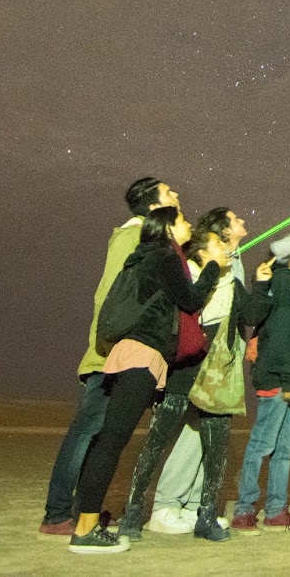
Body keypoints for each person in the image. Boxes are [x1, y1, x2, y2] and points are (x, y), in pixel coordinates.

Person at [67, 204, 226, 554]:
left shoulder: (144, 257)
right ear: (168, 228)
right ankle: (85, 530)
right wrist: (214, 267)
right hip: (142, 353)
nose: (189, 224)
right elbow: (191, 300)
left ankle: (84, 521)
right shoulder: (165, 257)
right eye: (182, 220)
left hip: (129, 352)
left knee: (109, 439)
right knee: (112, 441)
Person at [117, 208, 272, 543]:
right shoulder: (188, 276)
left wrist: (261, 284)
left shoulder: (231, 283)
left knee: (216, 453)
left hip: (217, 377)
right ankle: (133, 511)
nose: (225, 250)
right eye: (217, 245)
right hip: (183, 372)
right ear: (202, 252)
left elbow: (251, 314)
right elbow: (189, 305)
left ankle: (206, 516)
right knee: (156, 443)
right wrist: (214, 269)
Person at [38, 177, 178, 537]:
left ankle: (78, 511)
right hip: (111, 354)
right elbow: (113, 295)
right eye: (169, 193)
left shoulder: (149, 242)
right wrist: (112, 346)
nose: (177, 195)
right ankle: (57, 514)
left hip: (120, 352)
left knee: (99, 434)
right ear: (153, 206)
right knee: (87, 431)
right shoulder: (132, 237)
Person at [232, 232, 290, 534]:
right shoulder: (280, 282)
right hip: (279, 377)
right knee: (262, 444)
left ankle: (276, 511)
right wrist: (287, 379)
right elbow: (279, 334)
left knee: (284, 447)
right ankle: (244, 510)